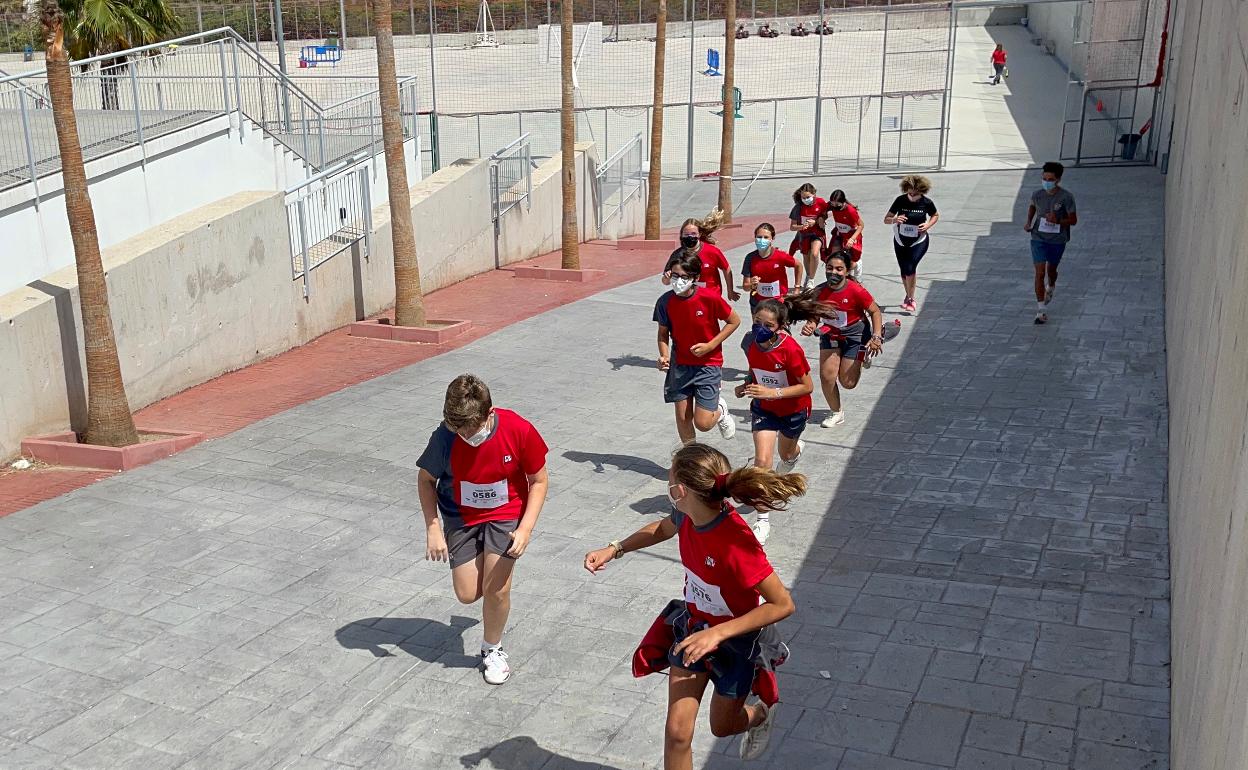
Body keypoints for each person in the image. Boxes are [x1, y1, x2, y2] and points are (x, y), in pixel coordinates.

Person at [583, 443, 801, 766]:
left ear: (680, 490)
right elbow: (662, 528)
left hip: (736, 640)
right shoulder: (686, 514)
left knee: (722, 726)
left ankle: (758, 714)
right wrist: (616, 548)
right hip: (694, 630)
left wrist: (718, 634)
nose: (667, 488)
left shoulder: (735, 542)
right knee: (677, 733)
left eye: (669, 481)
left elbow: (783, 604)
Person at [416, 375, 550, 686]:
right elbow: (425, 480)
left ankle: (493, 649)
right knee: (467, 594)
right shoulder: (446, 436)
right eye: (458, 429)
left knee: (496, 588)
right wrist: (433, 527)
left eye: (471, 429)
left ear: (489, 415)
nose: (465, 435)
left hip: (506, 514)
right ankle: (473, 607)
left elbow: (539, 481)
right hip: (460, 516)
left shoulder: (519, 429)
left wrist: (526, 528)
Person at [734, 293, 830, 544]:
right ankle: (762, 521)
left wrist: (772, 392)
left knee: (785, 455)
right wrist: (746, 385)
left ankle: (795, 452)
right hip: (764, 409)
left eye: (768, 325)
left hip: (793, 411)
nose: (761, 328)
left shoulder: (790, 350)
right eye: (757, 322)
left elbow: (807, 386)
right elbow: (756, 371)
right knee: (762, 461)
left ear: (781, 327)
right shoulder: (749, 342)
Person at [656, 253, 742, 444]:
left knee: (702, 423)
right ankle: (690, 457)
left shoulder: (709, 298)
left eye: (684, 277)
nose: (678, 281)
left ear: (695, 278)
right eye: (675, 275)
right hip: (680, 365)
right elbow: (663, 333)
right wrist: (664, 356)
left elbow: (734, 321)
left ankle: (720, 411)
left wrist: (711, 345)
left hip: (707, 364)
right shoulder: (665, 302)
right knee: (682, 417)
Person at [802, 252, 885, 428]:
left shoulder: (856, 290)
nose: (834, 272)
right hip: (830, 334)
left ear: (847, 271)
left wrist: (876, 335)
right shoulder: (819, 291)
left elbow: (875, 311)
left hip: (855, 335)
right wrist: (811, 324)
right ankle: (836, 412)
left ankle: (862, 356)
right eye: (830, 268)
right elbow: (815, 315)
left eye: (839, 269)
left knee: (848, 383)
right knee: (827, 376)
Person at [1024, 161, 1078, 324]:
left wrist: (1058, 221)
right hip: (1038, 238)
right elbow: (1033, 207)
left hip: (1057, 240)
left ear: (1058, 180)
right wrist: (1029, 222)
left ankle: (1052, 285)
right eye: (1044, 178)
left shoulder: (1066, 197)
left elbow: (1073, 220)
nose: (1046, 182)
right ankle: (1041, 310)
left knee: (1051, 270)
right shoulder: (1037, 194)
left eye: (1050, 179)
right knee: (1039, 273)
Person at [884, 175, 939, 314]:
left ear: (922, 191)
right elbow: (886, 219)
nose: (913, 195)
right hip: (900, 239)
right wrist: (895, 219)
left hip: (919, 240)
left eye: (916, 193)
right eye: (910, 192)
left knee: (911, 266)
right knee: (904, 269)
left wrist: (928, 225)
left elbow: (935, 215)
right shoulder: (900, 200)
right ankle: (908, 295)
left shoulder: (927, 203)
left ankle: (911, 298)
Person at [663, 210, 739, 302]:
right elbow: (665, 281)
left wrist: (730, 291)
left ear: (700, 234)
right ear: (681, 235)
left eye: (693, 234)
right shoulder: (677, 255)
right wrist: (667, 278)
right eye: (686, 234)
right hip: (688, 297)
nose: (690, 237)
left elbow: (726, 269)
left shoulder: (712, 251)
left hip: (711, 296)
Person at [740, 223, 802, 313]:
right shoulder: (750, 258)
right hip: (758, 302)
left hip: (778, 302)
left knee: (778, 326)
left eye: (766, 237)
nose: (762, 240)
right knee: (758, 327)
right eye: (759, 237)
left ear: (772, 239)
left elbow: (798, 265)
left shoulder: (780, 256)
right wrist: (752, 284)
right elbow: (746, 287)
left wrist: (797, 288)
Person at [788, 183, 830, 291]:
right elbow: (792, 227)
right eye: (803, 197)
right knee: (806, 256)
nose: (806, 199)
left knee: (815, 253)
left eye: (808, 197)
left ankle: (811, 279)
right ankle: (808, 275)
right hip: (804, 235)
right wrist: (802, 226)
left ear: (814, 194)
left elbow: (825, 214)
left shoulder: (821, 202)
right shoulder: (798, 207)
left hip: (817, 233)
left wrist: (818, 220)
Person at [826, 189, 865, 280]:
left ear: (843, 202)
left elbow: (861, 225)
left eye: (837, 204)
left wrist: (852, 239)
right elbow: (823, 211)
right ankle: (837, 278)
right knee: (834, 253)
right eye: (833, 204)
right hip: (839, 233)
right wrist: (821, 218)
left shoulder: (850, 211)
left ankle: (857, 265)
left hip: (851, 235)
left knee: (850, 261)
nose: (834, 206)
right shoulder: (831, 205)